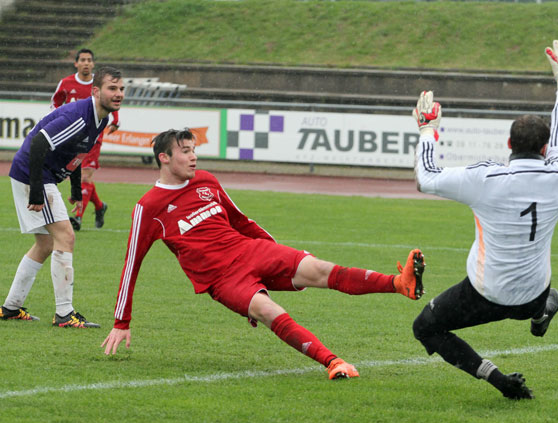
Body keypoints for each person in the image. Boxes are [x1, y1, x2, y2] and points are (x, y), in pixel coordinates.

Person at [100, 128, 426, 379]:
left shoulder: (206, 181)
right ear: (164, 158)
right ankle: (334, 362)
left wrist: (275, 248)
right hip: (222, 279)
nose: (193, 157)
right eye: (185, 152)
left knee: (321, 269)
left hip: (251, 250)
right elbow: (132, 265)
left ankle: (400, 283)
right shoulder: (149, 207)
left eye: (194, 150)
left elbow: (242, 221)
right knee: (268, 311)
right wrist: (121, 321)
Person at [409, 40, 558, 400]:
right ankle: (541, 313)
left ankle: (497, 379)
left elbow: (426, 178)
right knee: (540, 296)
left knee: (426, 328)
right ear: (546, 150)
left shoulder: (485, 179)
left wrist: (427, 129)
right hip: (533, 291)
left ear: (508, 144)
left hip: (485, 295)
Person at [0, 66, 125, 327]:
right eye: (112, 88)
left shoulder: (100, 118)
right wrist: (36, 190)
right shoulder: (79, 117)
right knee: (66, 236)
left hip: (40, 175)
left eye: (121, 89)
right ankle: (65, 314)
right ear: (95, 91)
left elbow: (77, 152)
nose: (118, 94)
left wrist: (75, 189)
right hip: (33, 174)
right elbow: (38, 144)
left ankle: (10, 308)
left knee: (45, 244)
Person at [51, 48, 120, 230]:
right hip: (72, 137)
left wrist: (116, 121)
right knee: (79, 176)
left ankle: (78, 217)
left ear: (93, 63)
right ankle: (99, 206)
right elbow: (55, 103)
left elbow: (111, 98)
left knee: (85, 175)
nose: (86, 63)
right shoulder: (66, 83)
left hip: (94, 136)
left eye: (89, 60)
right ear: (76, 63)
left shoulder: (99, 83)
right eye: (83, 60)